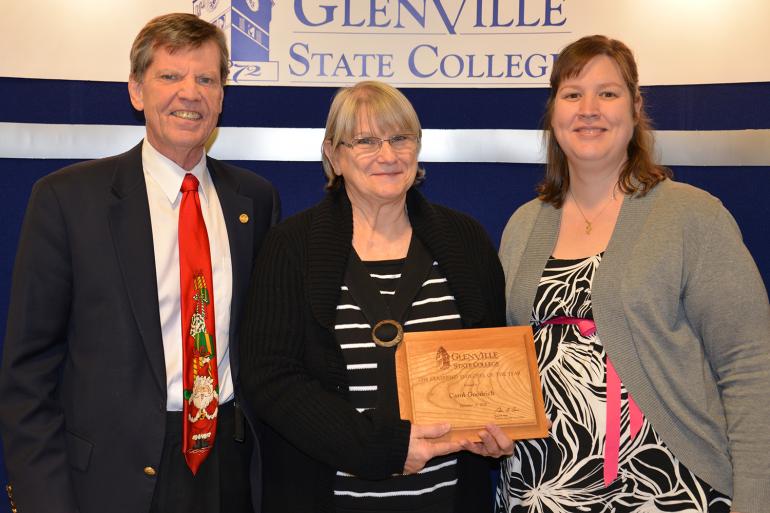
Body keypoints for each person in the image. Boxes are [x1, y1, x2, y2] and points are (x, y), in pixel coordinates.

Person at [0, 13, 279, 513]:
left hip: (229, 473)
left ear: (221, 97)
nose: (189, 93)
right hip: (109, 480)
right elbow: (28, 372)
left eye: (206, 79)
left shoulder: (255, 201)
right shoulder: (68, 200)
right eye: (170, 76)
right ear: (136, 90)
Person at [495, 35, 770, 513]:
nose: (589, 109)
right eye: (572, 94)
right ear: (553, 111)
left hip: (669, 491)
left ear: (636, 106)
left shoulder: (692, 215)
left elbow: (749, 366)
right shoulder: (523, 224)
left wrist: (756, 498)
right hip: (537, 491)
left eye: (608, 93)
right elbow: (505, 361)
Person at [239, 80, 511, 513]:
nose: (388, 155)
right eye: (365, 141)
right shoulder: (292, 246)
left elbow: (492, 361)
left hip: (447, 497)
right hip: (329, 498)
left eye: (401, 138)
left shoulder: (465, 240)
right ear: (334, 154)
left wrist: (497, 426)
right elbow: (269, 377)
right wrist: (381, 449)